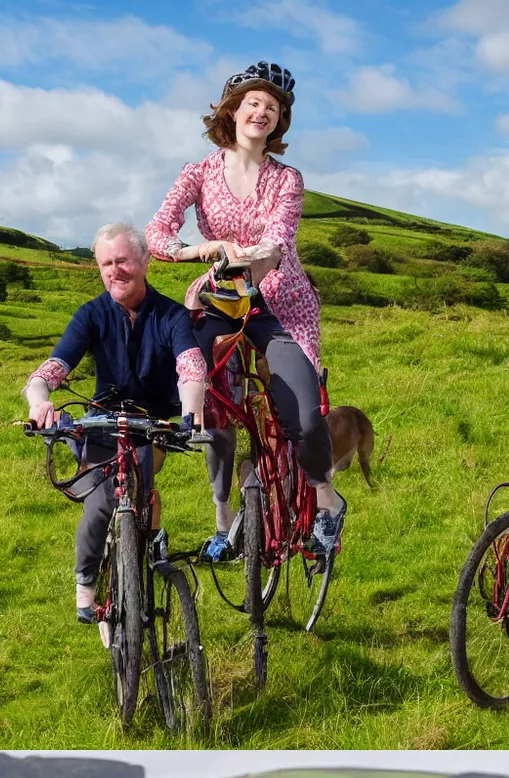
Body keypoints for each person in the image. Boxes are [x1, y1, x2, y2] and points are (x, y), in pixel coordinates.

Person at [145, 62, 341, 561]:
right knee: (208, 408)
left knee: (306, 414)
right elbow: (158, 234)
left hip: (278, 302)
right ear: (232, 111)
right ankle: (223, 519)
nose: (262, 112)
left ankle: (326, 502)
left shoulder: (288, 180)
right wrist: (201, 249)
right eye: (254, 102)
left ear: (279, 123)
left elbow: (277, 244)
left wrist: (249, 263)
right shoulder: (199, 172)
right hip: (219, 299)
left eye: (272, 108)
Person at [24, 225, 210, 643]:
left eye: (123, 261)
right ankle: (88, 591)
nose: (115, 271)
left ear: (144, 262)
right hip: (102, 425)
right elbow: (52, 369)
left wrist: (192, 414)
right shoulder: (91, 315)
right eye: (107, 264)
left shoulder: (170, 315)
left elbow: (192, 365)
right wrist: (40, 401)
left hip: (153, 427)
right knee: (102, 499)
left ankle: (145, 546)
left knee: (132, 488)